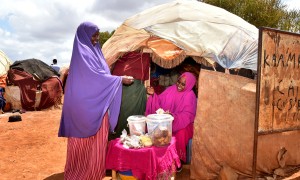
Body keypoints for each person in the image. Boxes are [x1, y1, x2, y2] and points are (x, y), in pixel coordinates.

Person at [58, 22, 133, 179]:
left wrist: (115, 79)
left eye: (98, 34)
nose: (97, 38)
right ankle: (79, 173)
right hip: (83, 108)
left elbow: (101, 77)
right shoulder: (83, 54)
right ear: (85, 35)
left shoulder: (95, 53)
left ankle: (93, 173)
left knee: (97, 143)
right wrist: (120, 79)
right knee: (81, 143)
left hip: (98, 105)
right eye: (94, 34)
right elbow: (95, 78)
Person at [145, 72, 197, 165]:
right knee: (158, 130)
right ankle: (160, 159)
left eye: (183, 84)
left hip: (184, 124)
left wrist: (173, 116)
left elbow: (188, 115)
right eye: (178, 82)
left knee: (181, 134)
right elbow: (159, 101)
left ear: (189, 85)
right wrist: (153, 95)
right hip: (168, 121)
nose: (179, 85)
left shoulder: (190, 95)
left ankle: (177, 161)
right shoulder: (171, 89)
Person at [110, 51, 150, 139]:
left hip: (138, 89)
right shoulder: (122, 54)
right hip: (126, 89)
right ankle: (120, 142)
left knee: (137, 119)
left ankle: (133, 142)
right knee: (124, 117)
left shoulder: (145, 54)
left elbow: (145, 76)